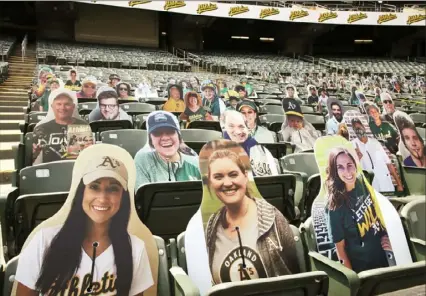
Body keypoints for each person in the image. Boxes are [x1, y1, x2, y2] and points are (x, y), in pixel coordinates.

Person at [15, 153, 154, 295]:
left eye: (113, 189)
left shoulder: (136, 249)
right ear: (82, 192)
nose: (102, 198)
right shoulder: (43, 241)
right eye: (94, 187)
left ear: (122, 198)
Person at [204, 147, 299, 284]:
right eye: (218, 177)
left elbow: (295, 276)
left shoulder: (273, 218)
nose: (227, 183)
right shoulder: (211, 227)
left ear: (245, 177)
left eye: (233, 174)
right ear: (211, 183)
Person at [325, 147, 393, 273]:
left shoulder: (363, 182)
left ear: (355, 165)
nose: (347, 171)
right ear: (334, 171)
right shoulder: (334, 205)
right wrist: (355, 283)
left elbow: (379, 215)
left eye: (349, 165)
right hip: (363, 269)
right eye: (340, 167)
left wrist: (390, 238)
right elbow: (340, 251)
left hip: (385, 259)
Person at [134, 111, 201, 189]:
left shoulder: (196, 164)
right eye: (157, 133)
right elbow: (142, 199)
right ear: (150, 140)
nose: (165, 138)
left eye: (170, 131)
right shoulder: (143, 160)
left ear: (178, 136)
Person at [32, 88, 91, 165]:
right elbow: (32, 160)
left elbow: (84, 158)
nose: (62, 108)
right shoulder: (41, 128)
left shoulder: (82, 126)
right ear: (52, 106)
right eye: (59, 104)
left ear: (73, 106)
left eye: (67, 104)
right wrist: (34, 153)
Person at [350, 118, 403, 192]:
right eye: (356, 129)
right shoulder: (352, 145)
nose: (358, 130)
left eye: (359, 127)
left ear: (364, 127)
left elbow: (389, 164)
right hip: (370, 187)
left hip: (385, 183)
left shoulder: (375, 143)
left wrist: (399, 184)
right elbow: (351, 171)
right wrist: (357, 159)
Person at [222, 110, 278, 176]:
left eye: (241, 126)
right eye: (231, 126)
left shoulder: (256, 147)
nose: (237, 131)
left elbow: (271, 179)